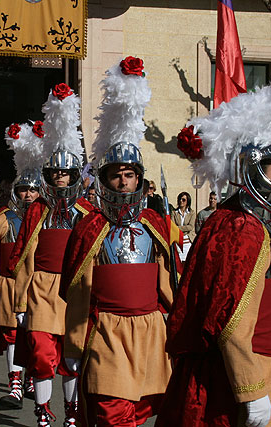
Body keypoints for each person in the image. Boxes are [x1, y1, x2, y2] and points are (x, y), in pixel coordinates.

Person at [159, 128, 271, 427]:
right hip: (241, 368)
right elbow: (230, 317)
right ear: (256, 174)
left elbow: (265, 307)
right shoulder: (243, 227)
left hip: (267, 361)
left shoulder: (256, 224)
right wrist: (250, 388)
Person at [61, 58, 180, 427]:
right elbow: (78, 291)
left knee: (144, 412)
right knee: (113, 415)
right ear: (105, 180)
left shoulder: (157, 224)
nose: (124, 182)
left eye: (130, 174)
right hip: (107, 332)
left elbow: (171, 282)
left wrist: (178, 329)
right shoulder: (89, 227)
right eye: (116, 175)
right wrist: (74, 344)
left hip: (150, 332)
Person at [8, 83, 93, 427]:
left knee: (73, 360)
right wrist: (19, 304)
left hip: (75, 293)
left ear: (74, 176)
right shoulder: (36, 210)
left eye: (65, 173)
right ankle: (43, 411)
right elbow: (23, 257)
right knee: (43, 356)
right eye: (54, 172)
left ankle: (72, 412)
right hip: (42, 290)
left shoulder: (88, 212)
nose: (59, 177)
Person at [0, 121, 43, 408]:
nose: (28, 195)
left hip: (40, 287)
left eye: (33, 190)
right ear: (15, 191)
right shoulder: (1, 219)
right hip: (9, 284)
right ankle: (15, 386)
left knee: (37, 335)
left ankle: (31, 378)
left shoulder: (49, 218)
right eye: (23, 190)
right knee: (12, 335)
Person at [172, 191, 196, 262]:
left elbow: (191, 227)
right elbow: (172, 227)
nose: (181, 201)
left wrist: (177, 228)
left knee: (187, 261)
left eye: (183, 200)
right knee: (178, 262)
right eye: (180, 199)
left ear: (187, 201)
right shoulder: (174, 213)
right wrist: (184, 228)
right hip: (178, 241)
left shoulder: (192, 213)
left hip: (188, 241)